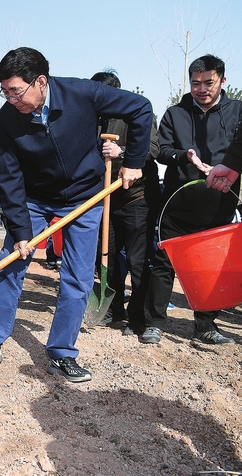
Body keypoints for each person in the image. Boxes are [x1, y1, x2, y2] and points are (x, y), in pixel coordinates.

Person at [0, 47, 152, 383]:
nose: (11, 99)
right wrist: (20, 231)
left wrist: (134, 161)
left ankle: (61, 353)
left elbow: (141, 108)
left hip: (83, 198)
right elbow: (9, 177)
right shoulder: (6, 121)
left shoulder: (83, 94)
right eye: (4, 91)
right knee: (11, 264)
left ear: (41, 82)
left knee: (76, 277)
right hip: (34, 199)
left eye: (16, 91)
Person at [140, 55, 242, 346]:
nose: (201, 89)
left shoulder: (237, 112)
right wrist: (183, 155)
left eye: (209, 82)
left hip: (220, 202)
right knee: (164, 261)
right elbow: (162, 151)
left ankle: (206, 325)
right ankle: (155, 323)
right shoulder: (175, 113)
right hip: (177, 201)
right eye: (195, 83)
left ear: (222, 81)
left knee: (211, 266)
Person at [91, 71, 161, 333]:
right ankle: (113, 308)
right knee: (106, 257)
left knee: (137, 260)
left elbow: (154, 149)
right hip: (106, 199)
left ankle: (138, 318)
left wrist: (122, 152)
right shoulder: (93, 119)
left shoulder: (138, 114)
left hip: (137, 199)